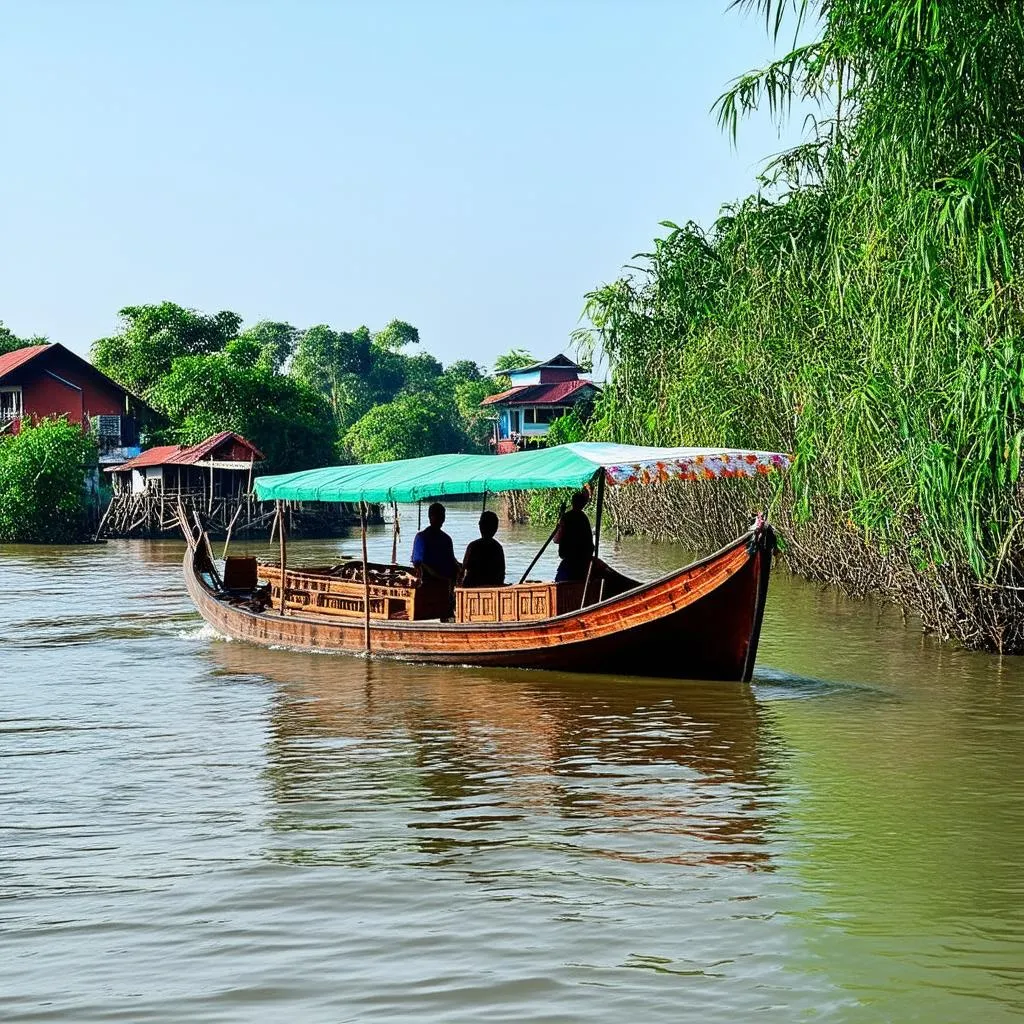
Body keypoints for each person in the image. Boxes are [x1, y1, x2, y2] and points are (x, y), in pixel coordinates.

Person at [411, 502, 459, 585]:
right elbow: (418, 564)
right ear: (430, 517)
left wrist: (459, 568)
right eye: (438, 515)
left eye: (442, 515)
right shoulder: (422, 537)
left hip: (447, 580)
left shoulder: (446, 539)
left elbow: (452, 560)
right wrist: (440, 577)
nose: (440, 518)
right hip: (428, 582)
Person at [554, 489, 595, 582]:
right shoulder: (583, 518)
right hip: (581, 562)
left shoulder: (568, 517)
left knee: (562, 582)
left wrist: (560, 519)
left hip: (571, 561)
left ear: (573, 503)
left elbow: (556, 539)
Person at [460, 510, 506, 588]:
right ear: (496, 528)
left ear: (480, 526)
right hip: (493, 587)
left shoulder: (473, 546)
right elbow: (501, 574)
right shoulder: (498, 548)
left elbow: (463, 570)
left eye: (480, 523)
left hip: (472, 588)